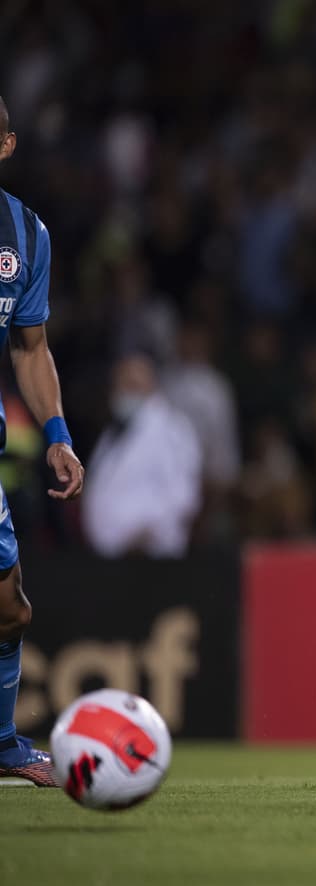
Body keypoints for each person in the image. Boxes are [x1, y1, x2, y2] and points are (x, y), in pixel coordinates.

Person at [0, 96, 86, 786]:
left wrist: (56, 433)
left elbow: (31, 350)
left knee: (8, 606)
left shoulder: (26, 235)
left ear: (6, 146)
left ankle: (1, 746)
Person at [80, 350, 203, 557]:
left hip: (151, 554)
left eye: (133, 385)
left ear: (152, 386)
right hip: (112, 557)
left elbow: (184, 494)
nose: (126, 392)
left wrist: (150, 532)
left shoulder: (172, 429)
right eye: (122, 385)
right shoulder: (114, 432)